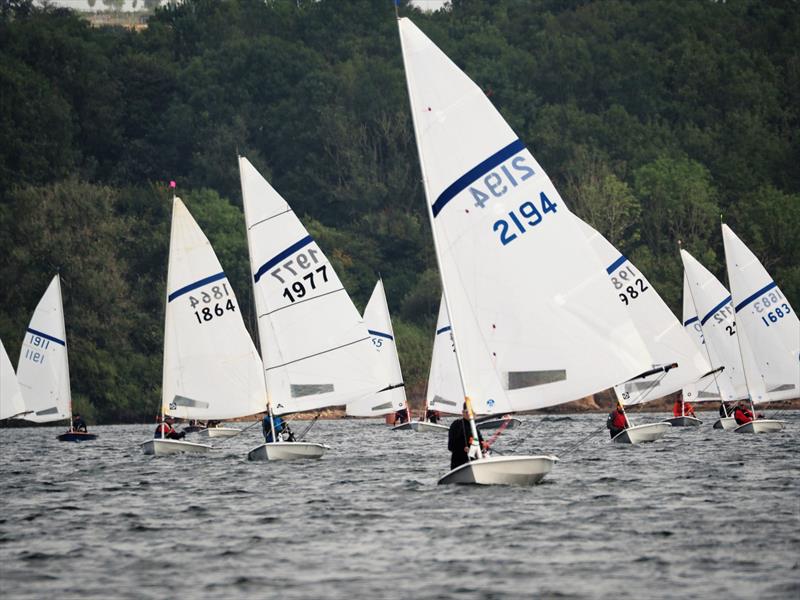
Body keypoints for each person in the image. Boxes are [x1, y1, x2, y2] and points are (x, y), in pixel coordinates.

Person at [447, 404, 486, 470]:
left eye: (472, 412)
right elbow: (450, 446)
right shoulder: (456, 424)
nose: (470, 414)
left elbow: (480, 443)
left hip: (474, 463)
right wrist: (463, 449)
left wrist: (484, 447)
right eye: (467, 412)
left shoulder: (474, 427)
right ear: (463, 412)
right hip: (459, 464)